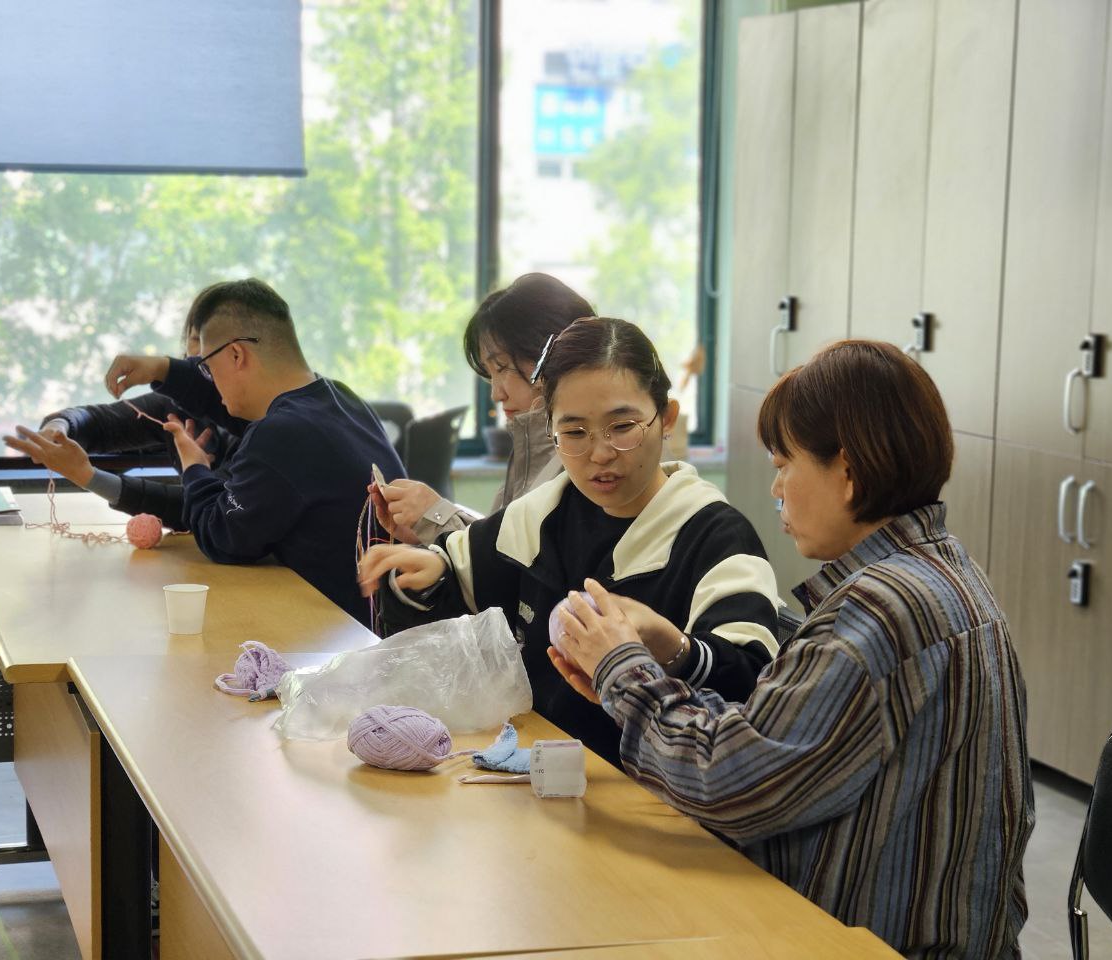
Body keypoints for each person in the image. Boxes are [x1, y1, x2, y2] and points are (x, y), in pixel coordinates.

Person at [551, 340, 1034, 956]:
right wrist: (678, 655)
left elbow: (728, 785)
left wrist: (623, 669)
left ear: (850, 470)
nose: (776, 488)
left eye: (786, 464)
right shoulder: (939, 569)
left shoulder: (877, 616)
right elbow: (780, 733)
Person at [358, 318, 780, 765]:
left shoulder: (716, 537)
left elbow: (753, 687)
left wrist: (673, 647)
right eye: (574, 433)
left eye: (623, 427)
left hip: (646, 795)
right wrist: (425, 577)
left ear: (667, 419)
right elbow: (457, 595)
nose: (599, 453)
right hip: (538, 774)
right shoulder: (546, 512)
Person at [103, 278, 405, 624]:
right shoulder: (339, 398)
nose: (211, 384)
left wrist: (195, 470)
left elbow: (222, 536)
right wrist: (164, 370)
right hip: (382, 623)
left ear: (236, 354)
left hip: (350, 641)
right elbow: (230, 408)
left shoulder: (281, 434)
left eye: (207, 368)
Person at [373, 273, 591, 545]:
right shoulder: (532, 444)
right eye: (490, 375)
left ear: (553, 355)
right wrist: (425, 530)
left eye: (502, 368)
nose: (496, 394)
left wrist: (437, 515)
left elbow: (515, 571)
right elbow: (499, 543)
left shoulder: (582, 458)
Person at [3, 284, 238, 530]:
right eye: (194, 339)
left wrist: (89, 477)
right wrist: (59, 427)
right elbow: (100, 423)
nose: (202, 352)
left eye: (214, 342)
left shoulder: (262, 426)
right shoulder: (173, 407)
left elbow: (209, 510)